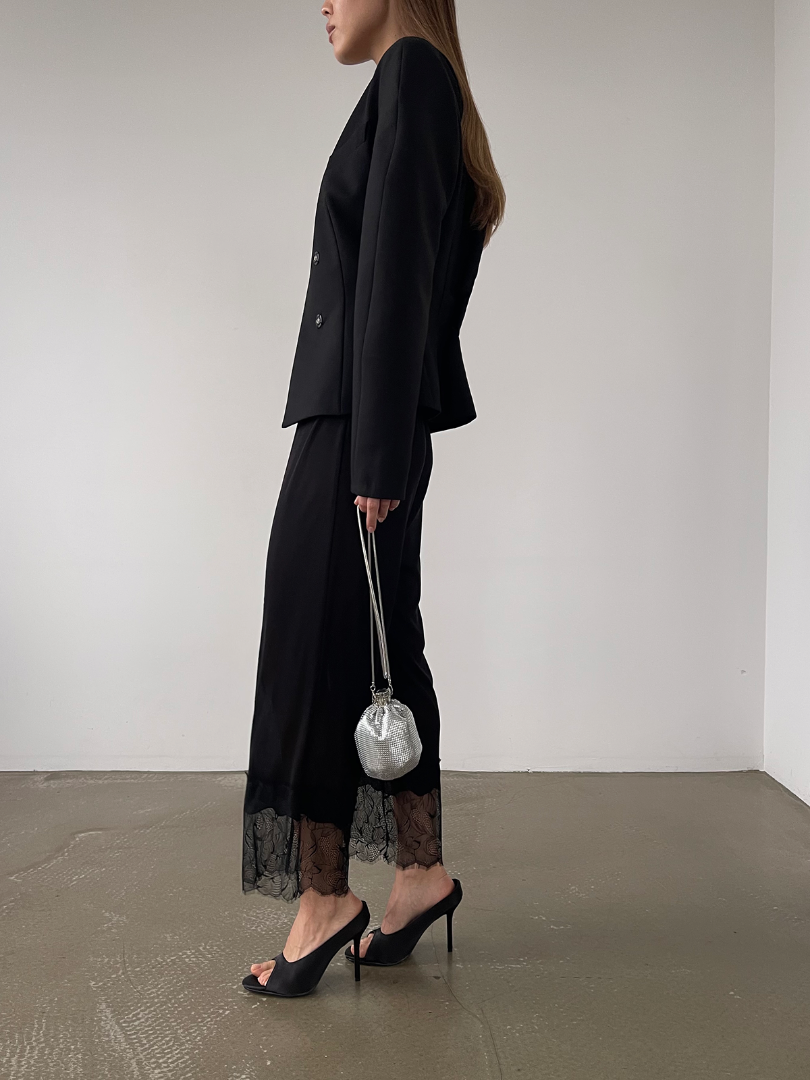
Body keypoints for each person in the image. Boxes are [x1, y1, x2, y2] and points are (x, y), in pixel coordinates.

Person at [241, 0, 505, 998]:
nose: (322, 3)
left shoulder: (411, 77)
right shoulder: (422, 86)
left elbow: (396, 275)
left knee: (315, 652)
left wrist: (378, 456)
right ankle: (420, 873)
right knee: (380, 647)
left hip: (358, 428)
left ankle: (325, 901)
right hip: (369, 425)